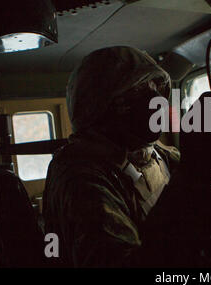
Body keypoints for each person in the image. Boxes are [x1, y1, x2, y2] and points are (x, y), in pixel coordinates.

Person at [42, 46, 180, 267]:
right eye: (137, 90)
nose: (154, 98)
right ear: (100, 106)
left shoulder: (148, 153)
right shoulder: (80, 178)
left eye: (155, 86)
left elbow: (187, 164)